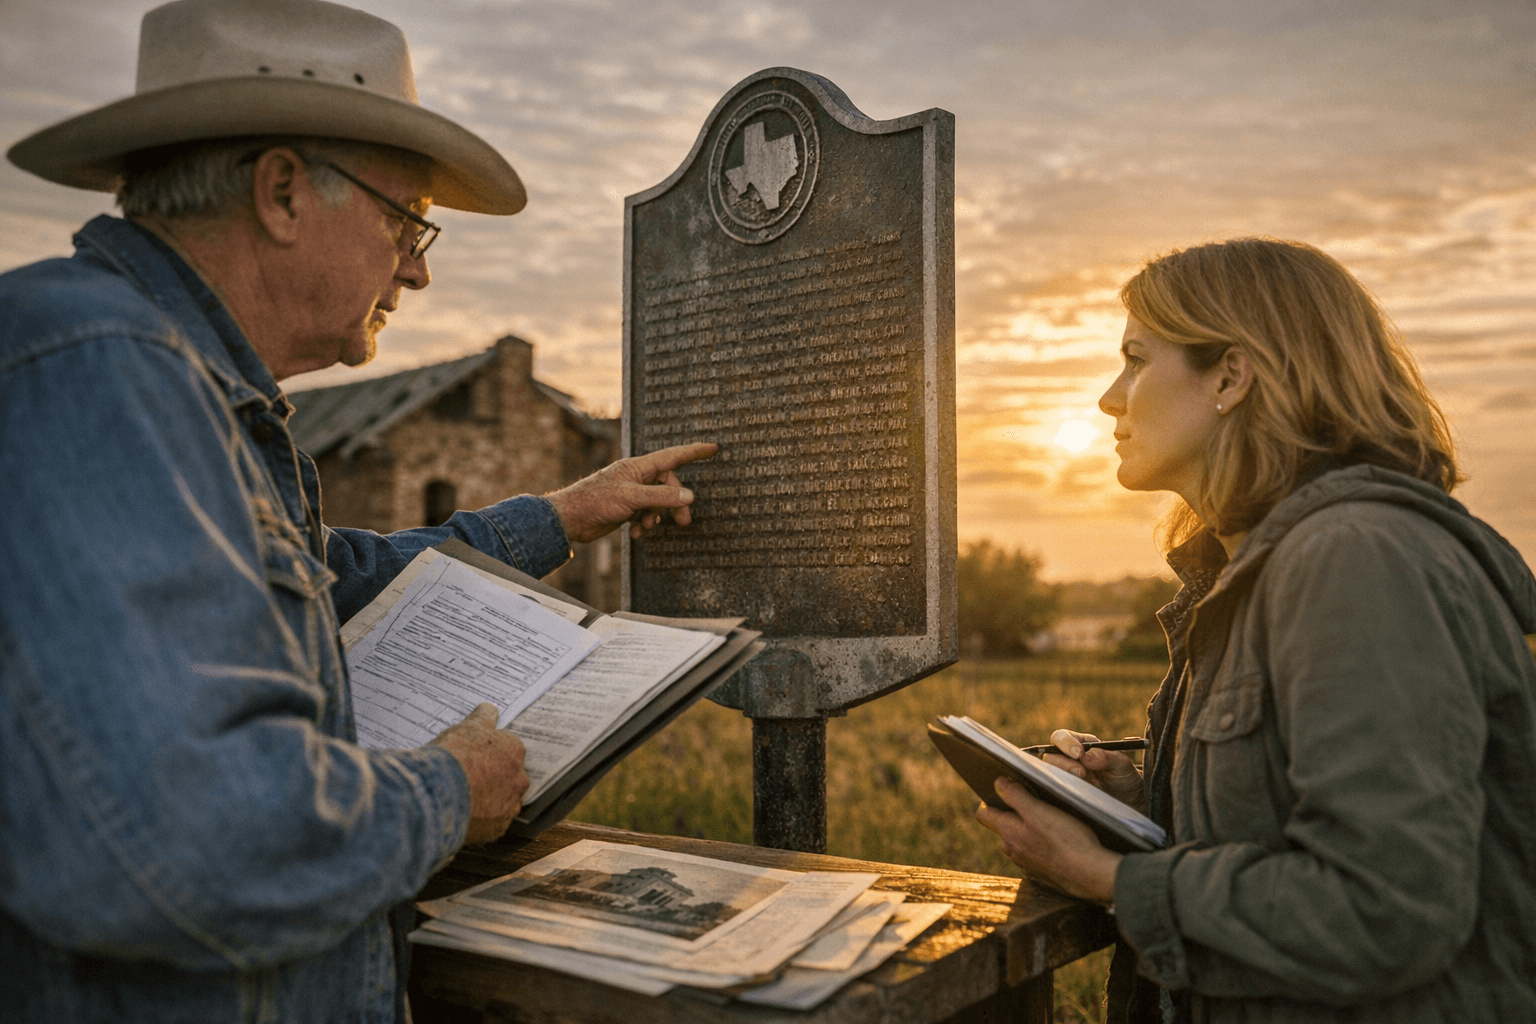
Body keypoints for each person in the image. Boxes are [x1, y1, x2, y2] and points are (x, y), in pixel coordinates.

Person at [0, 1, 714, 1020]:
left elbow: (334, 582)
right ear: (284, 190)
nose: (418, 268)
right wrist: (447, 793)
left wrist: (563, 513)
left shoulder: (172, 387)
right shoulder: (97, 375)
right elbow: (196, 838)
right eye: (406, 221)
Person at [975, 238, 1536, 1022]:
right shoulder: (1248, 572)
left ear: (1232, 376)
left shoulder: (1355, 562)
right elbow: (1292, 837)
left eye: (1136, 359)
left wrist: (1106, 877)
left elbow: (1385, 910)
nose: (1110, 397)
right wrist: (1142, 811)